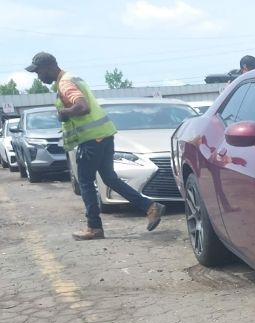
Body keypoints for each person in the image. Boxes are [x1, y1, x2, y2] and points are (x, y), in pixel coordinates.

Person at [25, 52, 165, 240]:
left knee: (85, 182)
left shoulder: (65, 83)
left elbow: (83, 107)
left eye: (38, 72)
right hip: (103, 136)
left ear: (48, 68)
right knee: (109, 178)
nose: (38, 77)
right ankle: (150, 207)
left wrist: (64, 113)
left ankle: (94, 227)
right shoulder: (71, 78)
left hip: (92, 140)